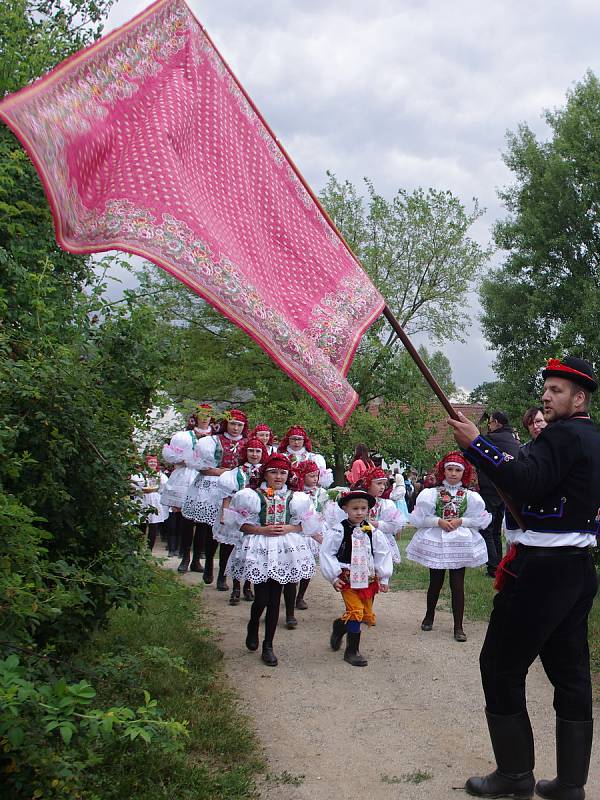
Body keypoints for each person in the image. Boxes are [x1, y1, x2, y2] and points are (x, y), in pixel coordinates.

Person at [449, 356, 600, 800]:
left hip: (543, 575)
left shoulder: (564, 434)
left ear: (579, 397)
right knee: (570, 675)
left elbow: (526, 481)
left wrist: (478, 444)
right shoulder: (591, 438)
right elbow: (539, 486)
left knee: (499, 666)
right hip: (576, 569)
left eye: (557, 391)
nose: (547, 397)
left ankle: (514, 775)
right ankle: (570, 784)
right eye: (546, 389)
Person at [225, 453, 318, 666]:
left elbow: (307, 525)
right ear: (265, 473)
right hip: (260, 548)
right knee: (261, 599)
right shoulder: (251, 495)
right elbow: (239, 524)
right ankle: (253, 623)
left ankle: (268, 644)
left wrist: (290, 528)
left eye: (283, 473)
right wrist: (262, 529)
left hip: (284, 550)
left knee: (276, 598)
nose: (278, 477)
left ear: (289, 475)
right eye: (274, 472)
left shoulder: (297, 498)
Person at [405, 451, 490, 642]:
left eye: (457, 470)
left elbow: (478, 520)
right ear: (443, 471)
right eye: (450, 469)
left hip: (458, 543)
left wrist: (461, 521)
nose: (453, 473)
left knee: (457, 584)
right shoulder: (431, 493)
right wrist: (438, 522)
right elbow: (420, 519)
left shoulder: (470, 496)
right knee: (435, 581)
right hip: (437, 541)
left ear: (464, 472)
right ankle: (429, 616)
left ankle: (458, 626)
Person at [320, 489, 393, 666]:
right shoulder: (339, 530)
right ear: (346, 509)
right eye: (355, 509)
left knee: (364, 613)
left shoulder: (372, 531)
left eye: (363, 508)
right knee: (356, 612)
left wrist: (383, 578)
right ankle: (352, 651)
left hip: (368, 578)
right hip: (348, 579)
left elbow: (382, 553)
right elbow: (327, 553)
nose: (359, 512)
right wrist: (333, 576)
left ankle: (340, 626)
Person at [180, 409, 248, 581]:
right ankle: (208, 563)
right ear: (226, 423)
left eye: (239, 425)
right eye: (232, 423)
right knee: (211, 530)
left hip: (236, 491)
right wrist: (222, 471)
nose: (235, 428)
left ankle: (222, 574)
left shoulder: (248, 445)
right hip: (212, 489)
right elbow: (200, 466)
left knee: (231, 533)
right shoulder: (212, 441)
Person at [214, 436, 268, 604]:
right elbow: (228, 496)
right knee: (236, 551)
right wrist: (225, 514)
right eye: (251, 451)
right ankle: (236, 587)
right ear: (245, 452)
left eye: (258, 451)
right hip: (236, 516)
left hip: (256, 519)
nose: (254, 454)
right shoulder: (235, 473)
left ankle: (248, 586)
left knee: (252, 552)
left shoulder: (266, 472)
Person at [161, 406, 214, 558]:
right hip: (187, 476)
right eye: (202, 415)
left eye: (208, 415)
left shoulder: (216, 437)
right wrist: (184, 460)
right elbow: (171, 455)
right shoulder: (183, 436)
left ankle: (198, 555)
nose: (205, 418)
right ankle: (184, 555)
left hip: (207, 477)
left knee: (203, 520)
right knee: (186, 519)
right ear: (195, 417)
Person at [476, 410, 520, 578]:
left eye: (491, 422)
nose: (489, 425)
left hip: (491, 488)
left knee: (487, 528)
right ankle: (499, 565)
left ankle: (493, 567)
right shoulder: (513, 440)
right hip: (506, 490)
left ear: (497, 423)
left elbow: (472, 445)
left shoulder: (494, 438)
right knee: (495, 530)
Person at [290, 460, 327, 610]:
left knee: (308, 565)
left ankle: (300, 597)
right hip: (299, 533)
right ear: (302, 476)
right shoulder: (294, 493)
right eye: (311, 476)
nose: (315, 479)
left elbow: (325, 509)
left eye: (316, 476)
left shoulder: (321, 492)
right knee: (294, 565)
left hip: (316, 529)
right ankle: (290, 595)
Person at [352, 466, 405, 565]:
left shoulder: (385, 504)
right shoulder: (358, 501)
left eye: (384, 484)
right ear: (368, 484)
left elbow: (393, 526)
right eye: (378, 483)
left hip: (380, 541)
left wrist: (376, 524)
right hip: (359, 540)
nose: (382, 487)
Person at [131, 454, 170, 550]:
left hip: (154, 499)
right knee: (141, 524)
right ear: (146, 463)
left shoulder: (160, 475)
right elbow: (134, 483)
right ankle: (139, 549)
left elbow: (164, 486)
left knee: (154, 524)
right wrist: (139, 490)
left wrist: (158, 492)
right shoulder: (141, 474)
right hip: (142, 498)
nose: (153, 463)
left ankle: (149, 549)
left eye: (154, 462)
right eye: (151, 462)